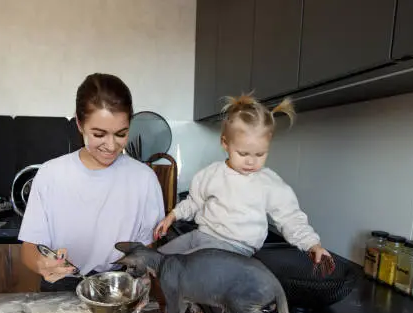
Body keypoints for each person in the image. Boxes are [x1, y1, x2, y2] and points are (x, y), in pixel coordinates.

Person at [19, 73, 165, 292]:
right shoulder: (51, 174)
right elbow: (29, 249)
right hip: (63, 288)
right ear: (79, 123)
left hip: (119, 289)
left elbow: (146, 249)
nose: (111, 145)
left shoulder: (144, 179)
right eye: (99, 134)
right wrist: (43, 264)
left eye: (121, 134)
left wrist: (144, 272)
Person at [155, 94, 332, 265]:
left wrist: (312, 244)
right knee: (158, 259)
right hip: (200, 236)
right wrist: (173, 216)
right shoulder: (212, 174)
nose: (251, 161)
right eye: (243, 153)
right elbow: (194, 202)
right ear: (225, 143)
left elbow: (290, 217)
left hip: (235, 251)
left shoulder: (268, 183)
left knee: (179, 268)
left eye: (260, 154)